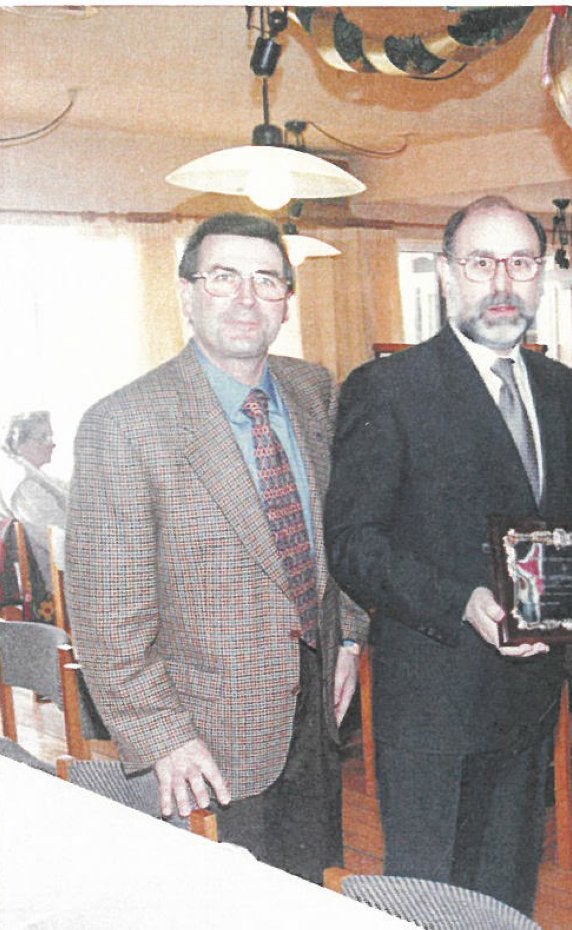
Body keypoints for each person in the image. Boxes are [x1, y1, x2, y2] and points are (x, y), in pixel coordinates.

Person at [65, 212, 365, 881]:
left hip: (314, 716)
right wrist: (164, 737)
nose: (245, 298)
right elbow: (106, 616)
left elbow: (343, 532)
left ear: (287, 301)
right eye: (224, 277)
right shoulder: (126, 424)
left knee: (305, 895)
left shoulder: (313, 390)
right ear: (187, 293)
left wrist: (348, 638)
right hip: (205, 738)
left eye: (266, 280)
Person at [324, 196, 572, 913]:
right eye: (481, 263)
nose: (502, 282)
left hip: (531, 700)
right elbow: (352, 544)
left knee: (507, 898)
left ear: (541, 277)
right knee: (430, 901)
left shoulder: (563, 391)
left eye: (521, 263)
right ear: (446, 275)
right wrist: (460, 601)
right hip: (433, 705)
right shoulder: (388, 388)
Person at [3, 411, 68, 589]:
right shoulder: (24, 486)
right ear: (19, 443)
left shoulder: (38, 478)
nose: (52, 444)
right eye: (43, 437)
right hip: (57, 586)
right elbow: (56, 536)